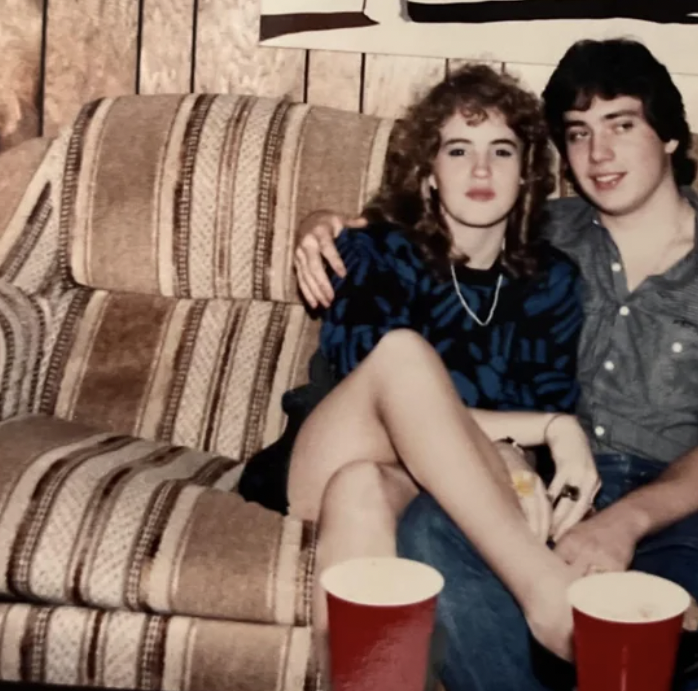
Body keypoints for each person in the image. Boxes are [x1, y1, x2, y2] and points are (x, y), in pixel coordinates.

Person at [293, 39, 698, 691]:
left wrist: (624, 523)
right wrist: (319, 223)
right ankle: (562, 613)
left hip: (671, 505)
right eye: (578, 134)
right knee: (429, 534)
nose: (598, 154)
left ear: (669, 136)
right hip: (530, 489)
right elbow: (420, 234)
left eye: (621, 125)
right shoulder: (541, 230)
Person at [238, 65, 595, 658]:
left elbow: (535, 401)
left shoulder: (551, 280)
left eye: (501, 151)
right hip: (326, 453)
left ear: (527, 174)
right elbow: (384, 396)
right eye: (458, 150)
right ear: (429, 174)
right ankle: (545, 592)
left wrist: (523, 441)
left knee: (362, 493)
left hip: (408, 483)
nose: (481, 170)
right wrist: (551, 430)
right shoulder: (375, 251)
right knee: (402, 357)